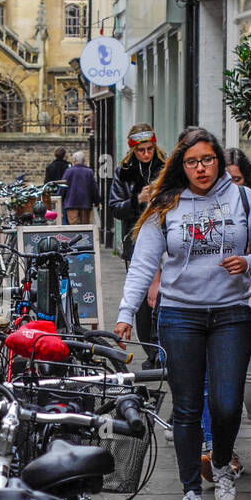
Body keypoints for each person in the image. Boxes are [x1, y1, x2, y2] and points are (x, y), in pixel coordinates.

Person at [114, 127, 251, 500]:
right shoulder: (166, 203)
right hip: (179, 315)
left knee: (226, 403)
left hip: (232, 314)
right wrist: (125, 314)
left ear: (218, 161)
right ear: (181, 166)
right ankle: (191, 490)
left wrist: (250, 262)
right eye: (191, 162)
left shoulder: (244, 198)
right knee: (187, 407)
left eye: (207, 160)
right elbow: (143, 263)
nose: (201, 168)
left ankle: (220, 463)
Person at [199, 146, 251, 484]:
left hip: (245, 305)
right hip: (205, 303)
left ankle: (221, 446)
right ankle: (215, 448)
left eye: (237, 177)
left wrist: (246, 273)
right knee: (205, 379)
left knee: (228, 383)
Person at [109, 124, 167, 358]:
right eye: (141, 150)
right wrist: (137, 200)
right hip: (134, 242)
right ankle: (151, 353)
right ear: (133, 150)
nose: (146, 154)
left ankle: (163, 346)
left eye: (149, 148)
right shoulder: (124, 171)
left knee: (162, 296)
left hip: (164, 240)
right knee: (142, 298)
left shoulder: (165, 167)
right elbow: (114, 207)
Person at [60, 150, 99, 225]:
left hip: (71, 204)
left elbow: (63, 187)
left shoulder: (69, 171)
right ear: (84, 161)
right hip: (85, 204)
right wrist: (97, 201)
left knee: (73, 227)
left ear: (74, 161)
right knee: (85, 227)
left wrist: (60, 199)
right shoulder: (89, 172)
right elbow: (94, 189)